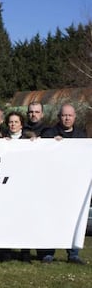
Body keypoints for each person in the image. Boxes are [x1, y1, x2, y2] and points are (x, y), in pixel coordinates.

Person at [40, 103, 87, 265]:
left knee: (73, 218)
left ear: (74, 117)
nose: (67, 118)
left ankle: (73, 253)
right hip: (52, 185)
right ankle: (48, 253)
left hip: (74, 187)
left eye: (70, 115)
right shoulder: (49, 134)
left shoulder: (81, 136)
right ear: (59, 117)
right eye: (64, 115)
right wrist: (52, 144)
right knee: (52, 218)